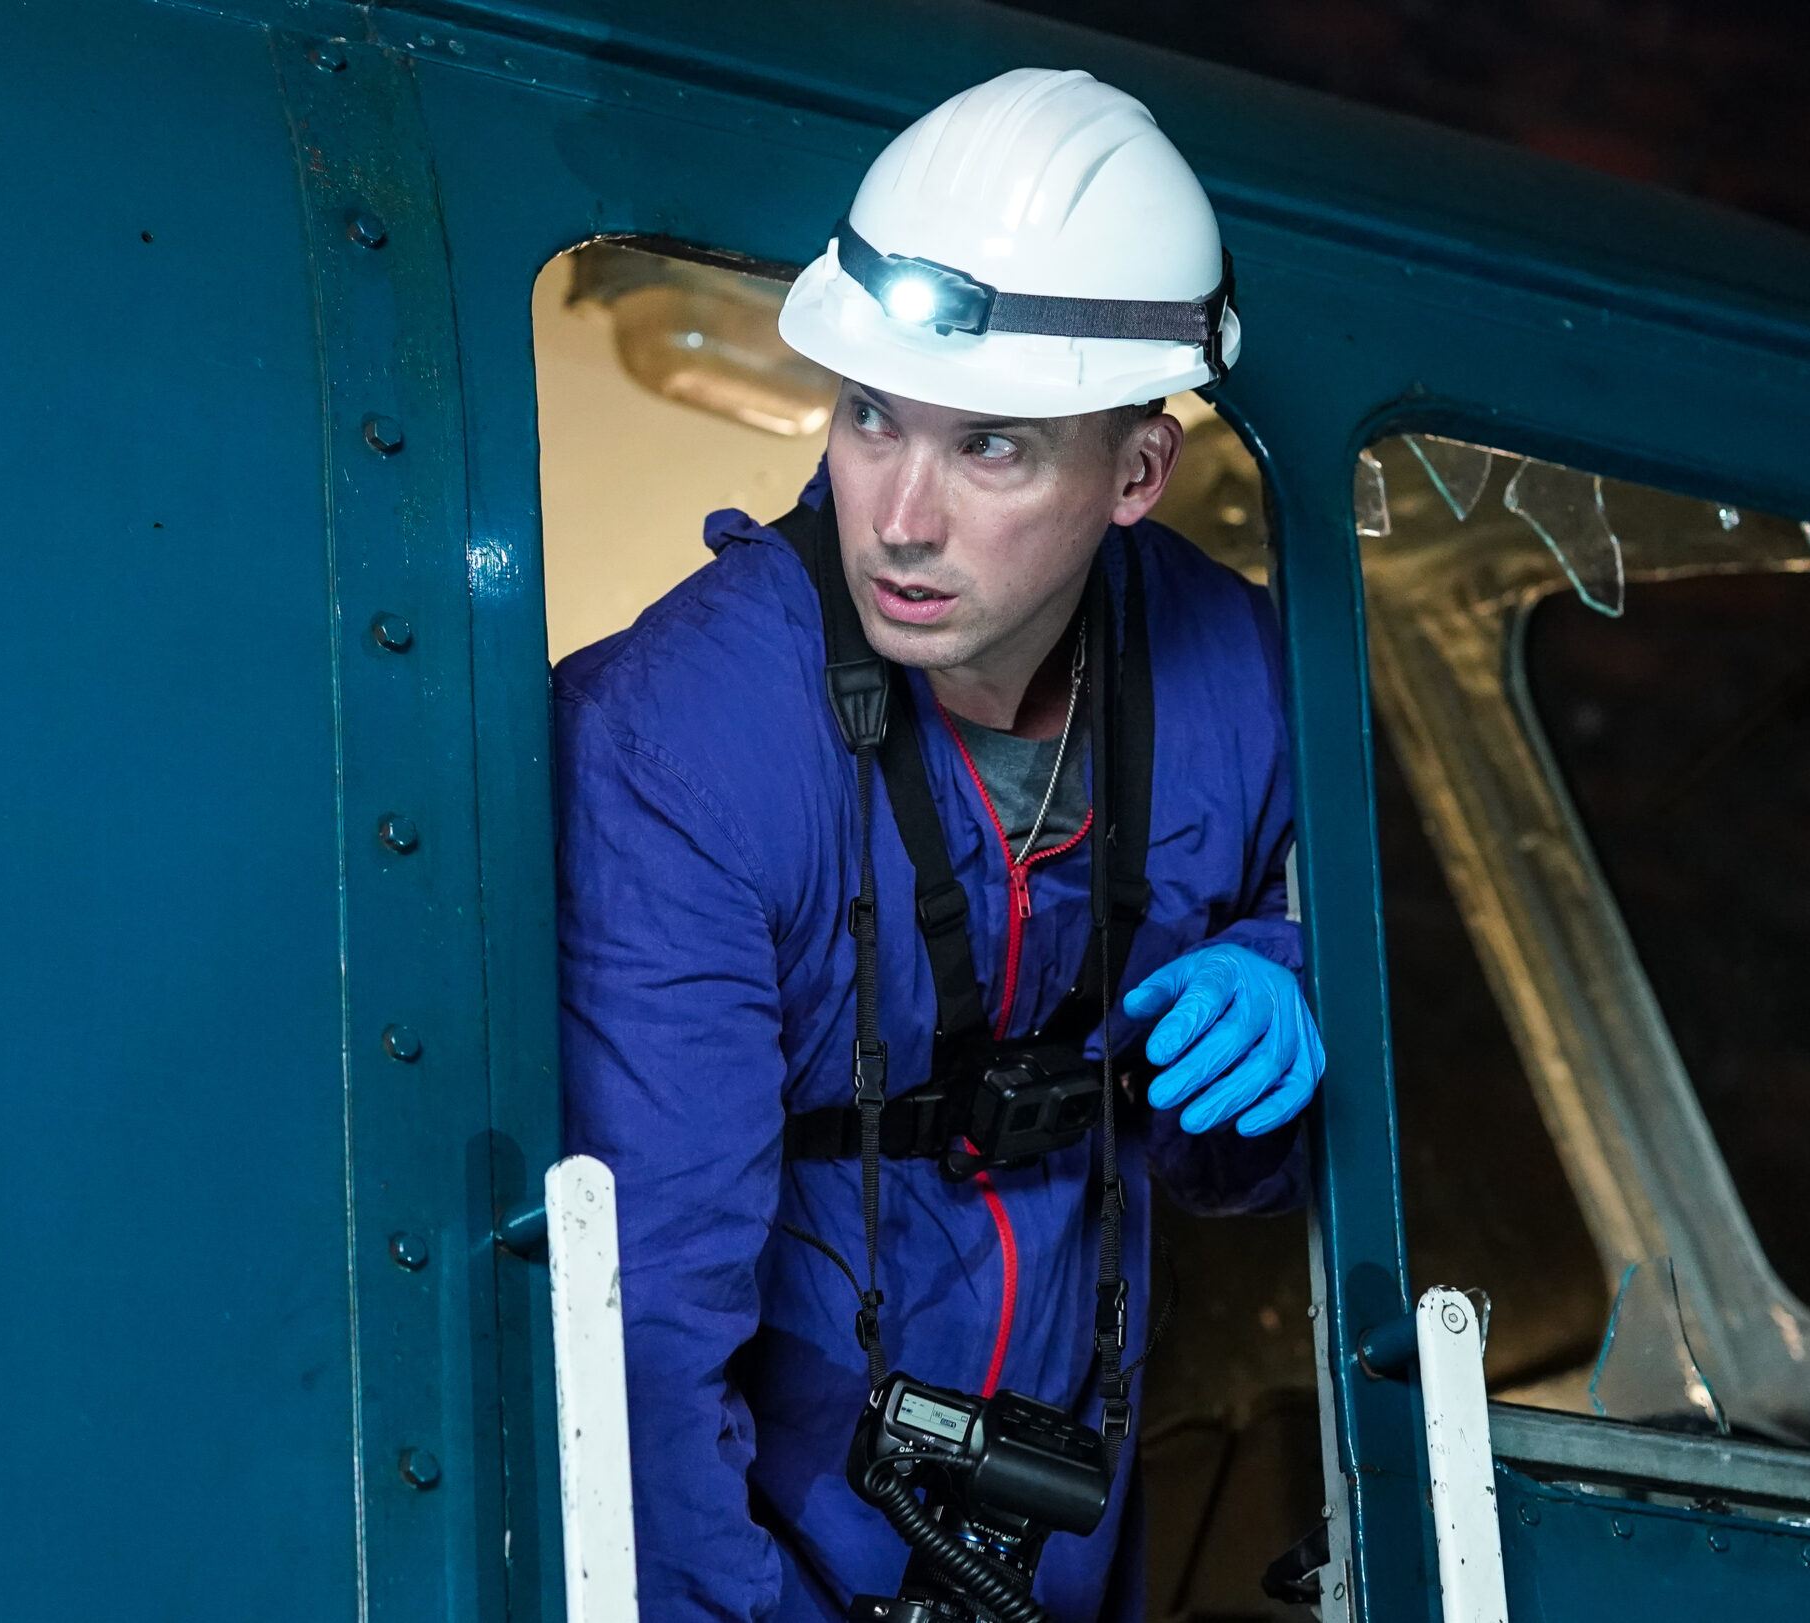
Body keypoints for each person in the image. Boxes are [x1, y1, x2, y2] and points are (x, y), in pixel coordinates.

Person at [555, 67, 1324, 1623]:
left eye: (992, 449)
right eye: (869, 417)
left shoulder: (1250, 684)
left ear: (1134, 474)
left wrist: (1285, 968)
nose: (898, 516)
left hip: (1065, 1547)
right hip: (755, 1566)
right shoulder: (680, 746)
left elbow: (1252, 1175)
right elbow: (639, 1332)